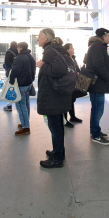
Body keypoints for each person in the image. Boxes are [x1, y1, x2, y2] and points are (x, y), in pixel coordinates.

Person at [36, 28, 71, 168]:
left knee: (55, 127)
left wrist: (42, 66)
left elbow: (60, 70)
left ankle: (57, 159)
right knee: (57, 126)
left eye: (39, 36)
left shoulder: (50, 50)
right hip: (58, 95)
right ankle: (58, 152)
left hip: (53, 96)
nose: (38, 39)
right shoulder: (57, 49)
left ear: (46, 37)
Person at [85, 28, 109, 145]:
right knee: (98, 110)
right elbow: (98, 64)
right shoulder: (98, 46)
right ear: (103, 36)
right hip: (97, 84)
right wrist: (108, 77)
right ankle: (95, 135)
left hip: (97, 84)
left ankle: (95, 130)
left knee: (96, 109)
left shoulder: (97, 46)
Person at [9, 42, 36, 135]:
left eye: (18, 47)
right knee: (26, 104)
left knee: (21, 106)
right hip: (28, 84)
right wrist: (32, 79)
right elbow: (34, 70)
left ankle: (26, 127)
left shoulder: (19, 58)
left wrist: (11, 80)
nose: (17, 49)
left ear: (20, 48)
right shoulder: (30, 56)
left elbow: (15, 71)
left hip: (21, 85)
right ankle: (25, 122)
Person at [63, 43, 83, 126]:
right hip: (67, 83)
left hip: (74, 83)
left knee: (71, 100)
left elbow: (76, 68)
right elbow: (67, 71)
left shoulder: (73, 58)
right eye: (72, 48)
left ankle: (73, 117)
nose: (73, 49)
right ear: (67, 50)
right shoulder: (64, 59)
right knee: (66, 102)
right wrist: (75, 73)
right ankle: (64, 120)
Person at [3, 41, 18, 112]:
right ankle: (19, 106)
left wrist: (8, 70)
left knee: (10, 89)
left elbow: (7, 62)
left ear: (11, 45)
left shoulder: (9, 52)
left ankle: (9, 106)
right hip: (18, 73)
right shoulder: (19, 51)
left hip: (10, 73)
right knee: (18, 88)